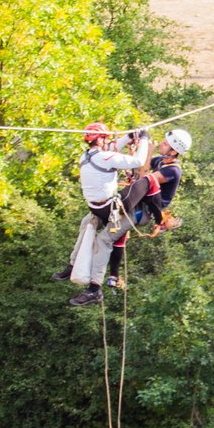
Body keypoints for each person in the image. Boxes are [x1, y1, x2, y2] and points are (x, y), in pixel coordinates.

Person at [57, 121, 150, 308]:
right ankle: (94, 289)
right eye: (105, 139)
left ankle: (72, 265)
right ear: (100, 141)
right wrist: (145, 140)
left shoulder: (85, 157)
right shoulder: (105, 157)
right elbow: (138, 161)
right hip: (110, 208)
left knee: (86, 224)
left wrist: (129, 137)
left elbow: (111, 150)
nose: (107, 142)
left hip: (95, 208)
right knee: (103, 241)